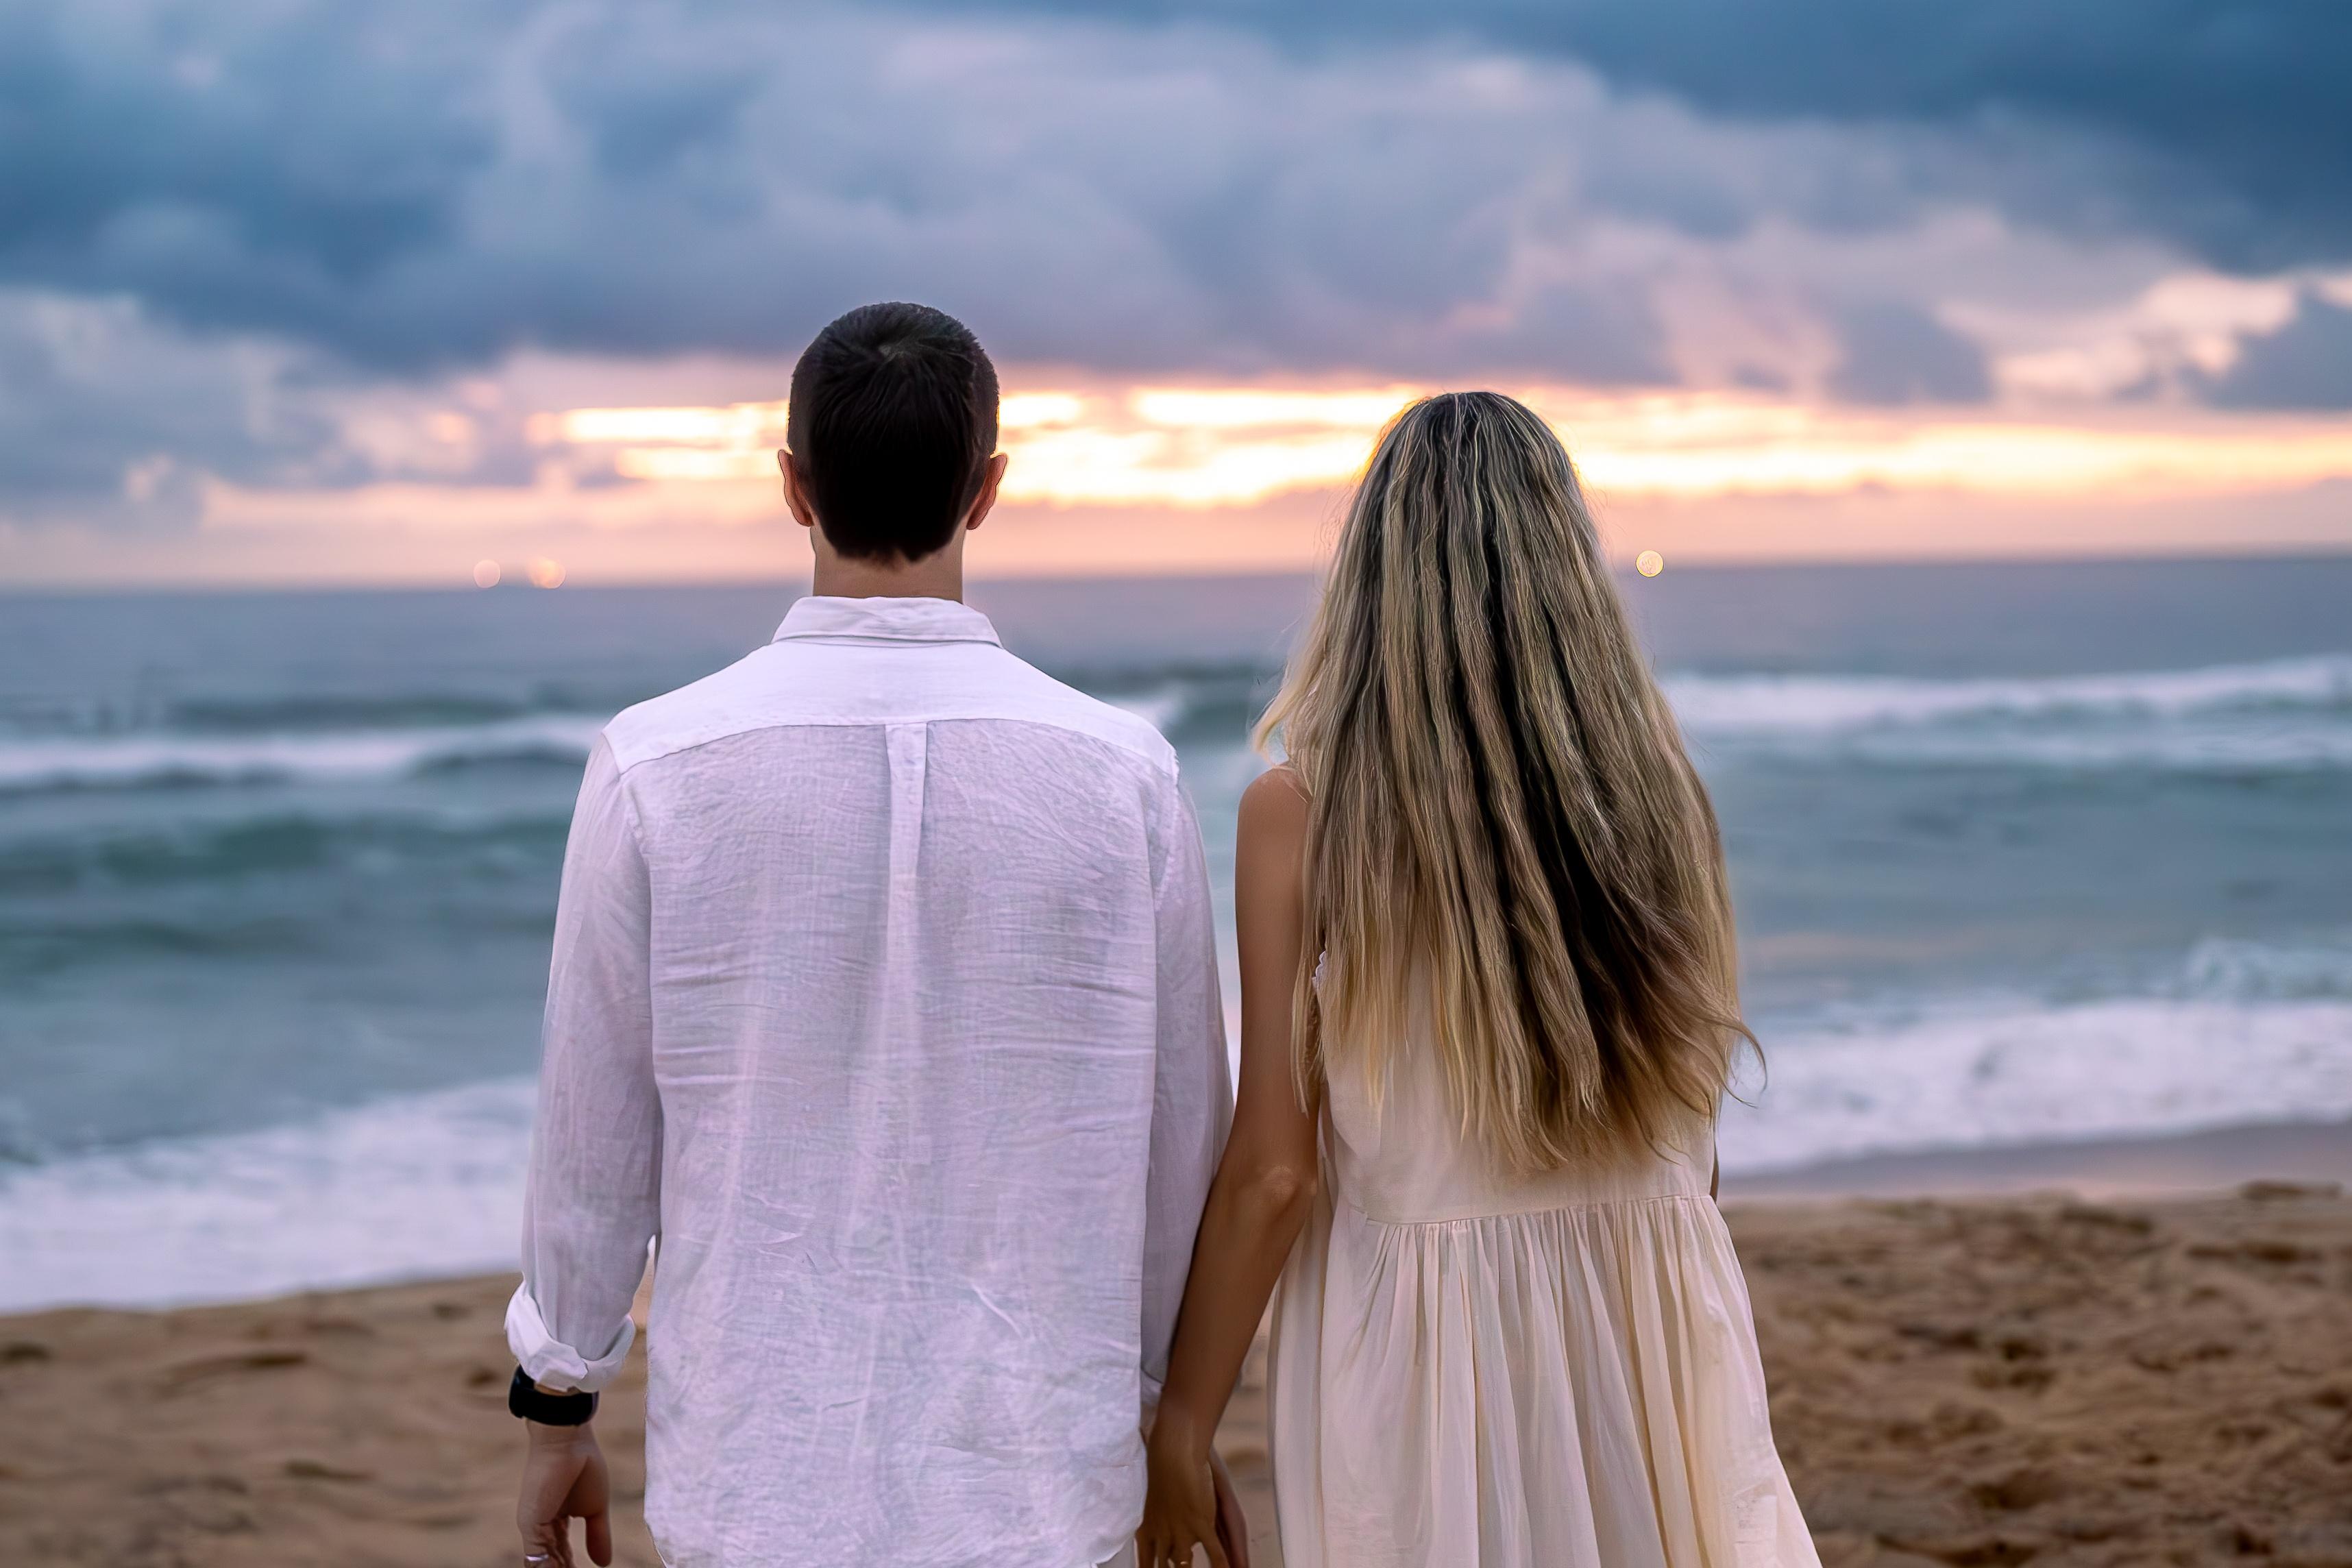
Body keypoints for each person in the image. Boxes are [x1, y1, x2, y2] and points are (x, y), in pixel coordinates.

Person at [505, 302, 1242, 1568]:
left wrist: (558, 1406)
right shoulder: (1125, 776)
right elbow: (1183, 1146)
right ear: (987, 491)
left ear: (793, 486)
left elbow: (596, 1133)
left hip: (756, 1476)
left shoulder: (656, 764)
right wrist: (1173, 1415)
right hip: (1042, 1479)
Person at [1136, 391, 1822, 1568]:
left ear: (1372, 574)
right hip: (1657, 1321)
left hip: (1433, 1358)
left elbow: (1277, 1172)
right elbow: (1694, 1134)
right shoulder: (1664, 797)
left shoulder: (1304, 816)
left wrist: (1185, 1424)